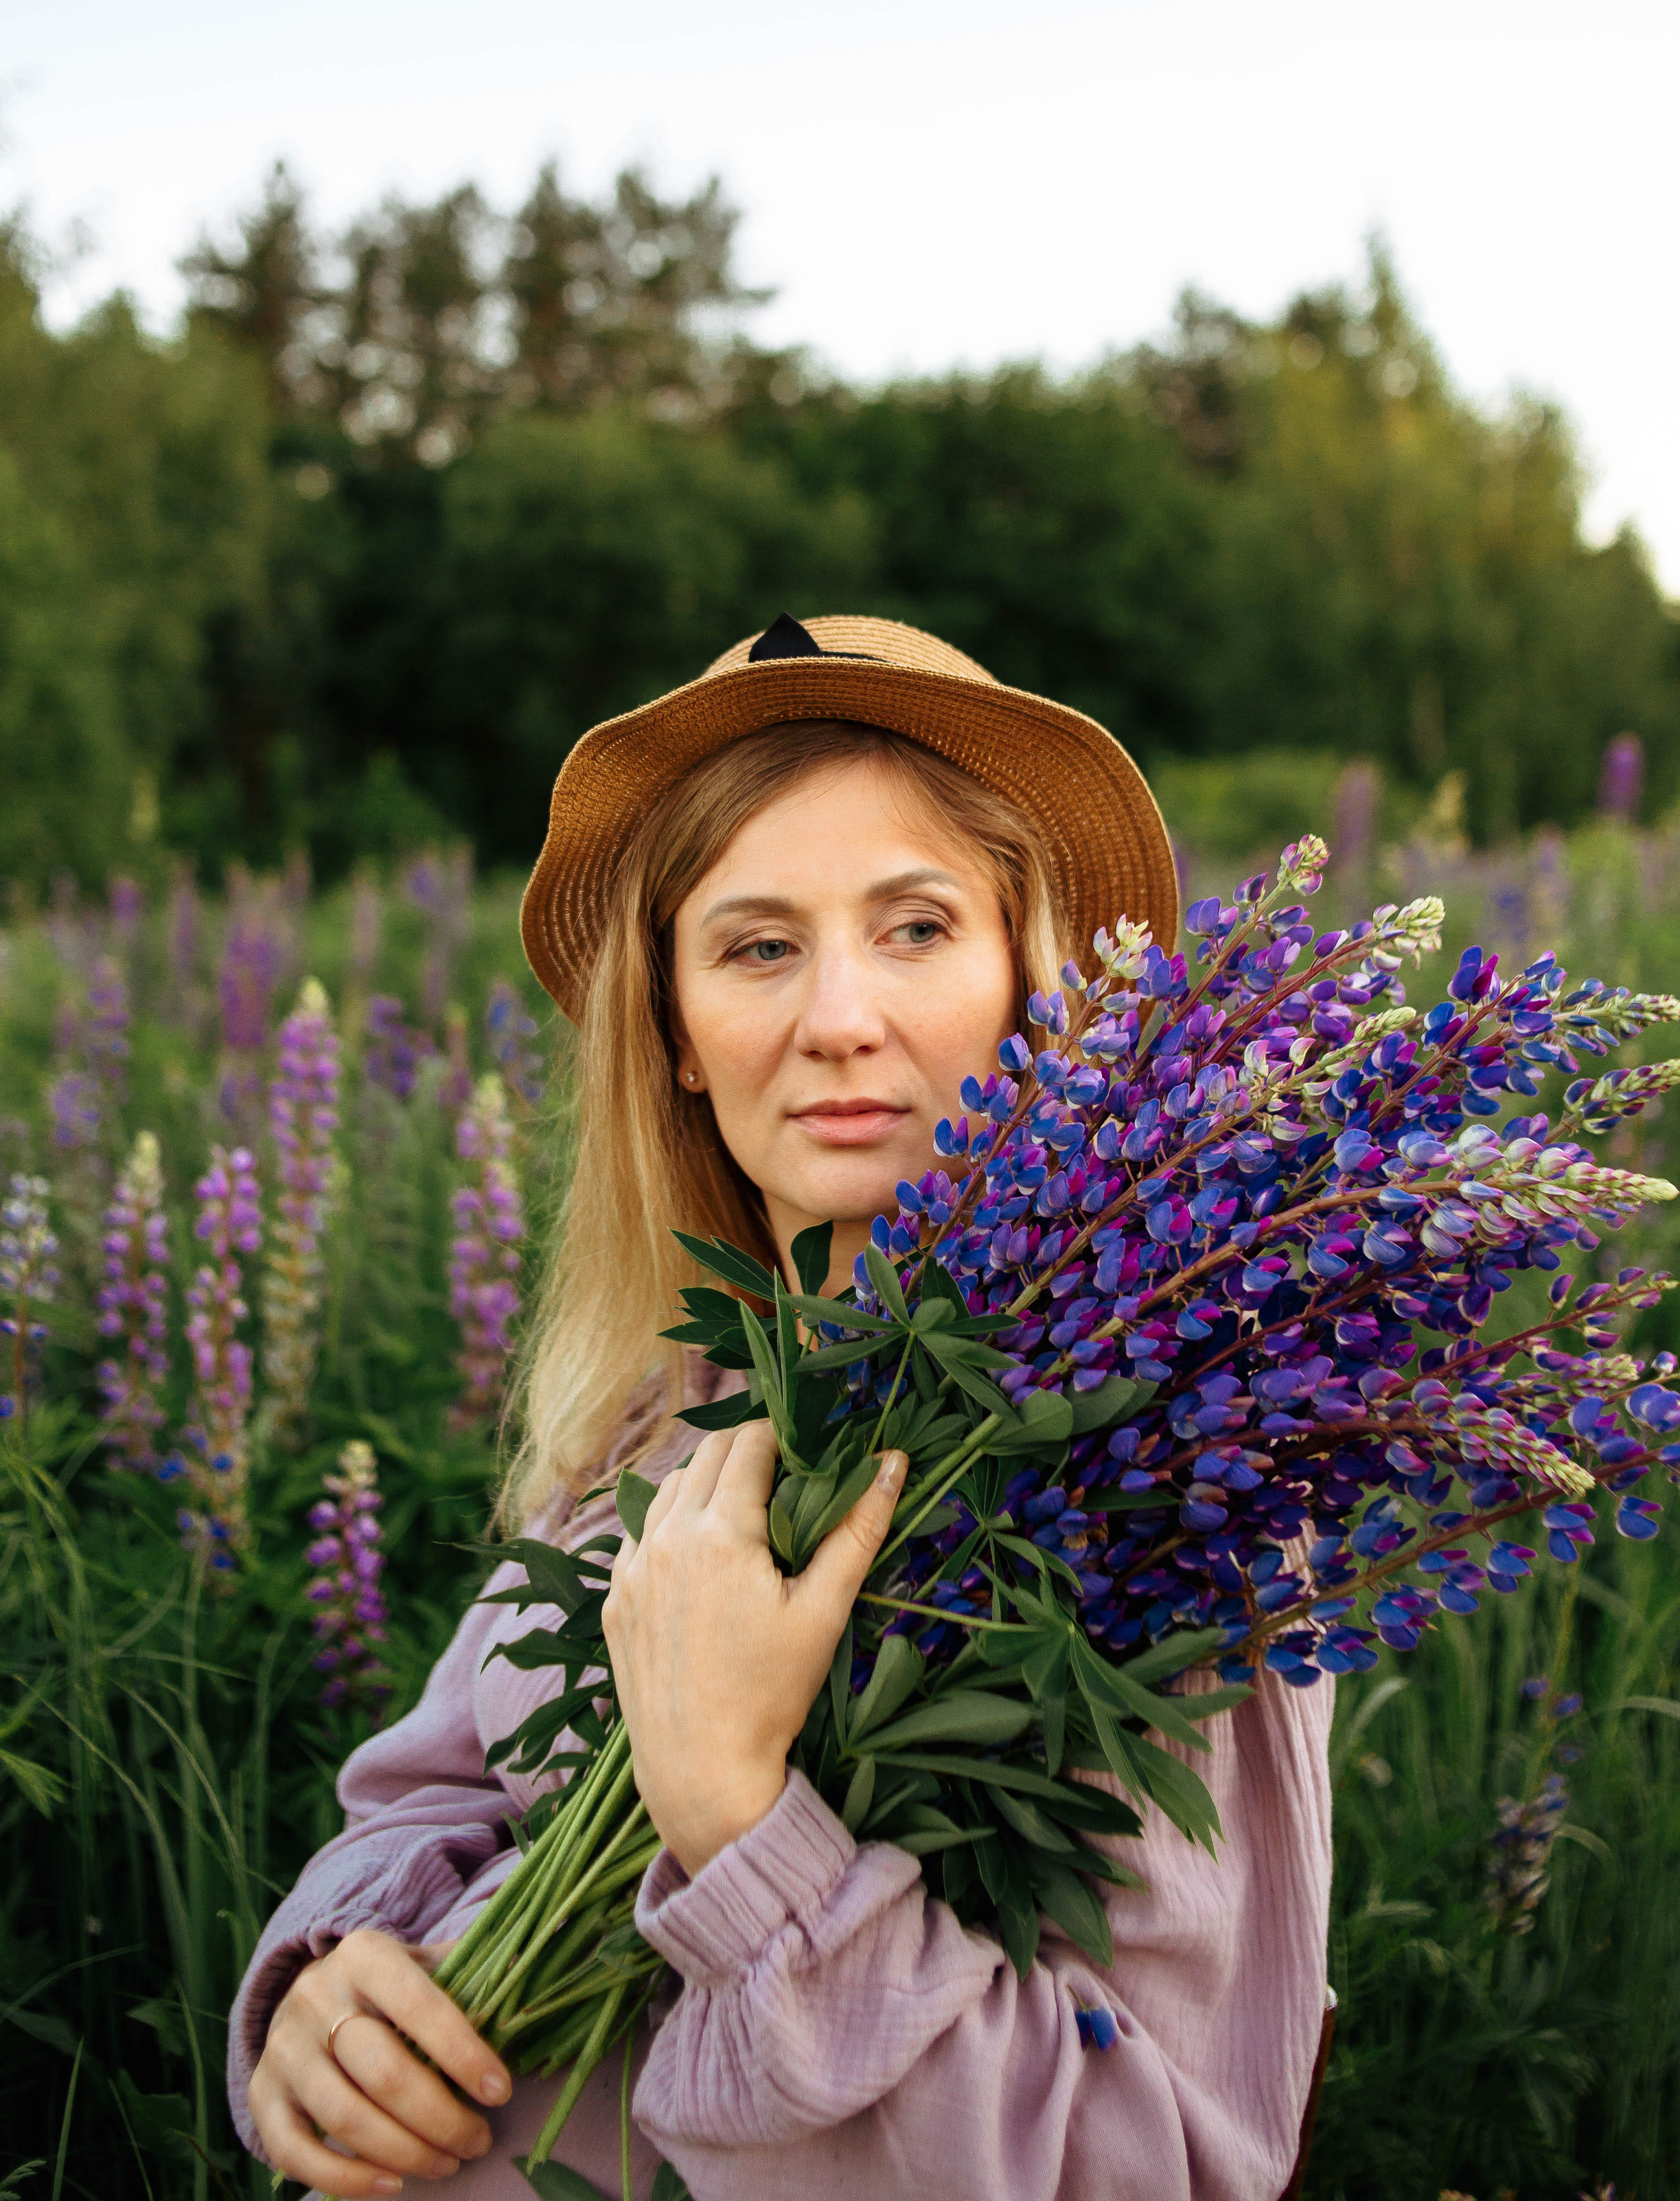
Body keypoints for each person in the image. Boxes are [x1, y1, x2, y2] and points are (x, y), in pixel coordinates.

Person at [228, 614, 1334, 2201]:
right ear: (676, 1032)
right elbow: (434, 1802)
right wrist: (330, 1983)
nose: (835, 1021)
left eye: (914, 927)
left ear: (1041, 979)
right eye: (755, 947)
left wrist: (741, 1823)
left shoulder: (1168, 1494)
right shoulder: (659, 1419)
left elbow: (1153, 2163)